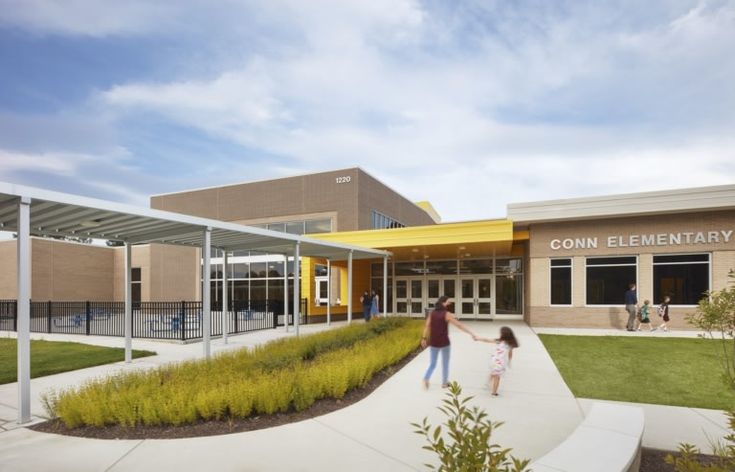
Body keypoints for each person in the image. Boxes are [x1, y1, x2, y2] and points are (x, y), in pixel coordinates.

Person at [421, 296, 476, 389]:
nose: (449, 303)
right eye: (448, 302)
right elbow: (459, 325)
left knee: (433, 363)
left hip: (434, 342)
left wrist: (423, 338)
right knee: (445, 363)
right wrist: (471, 333)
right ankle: (444, 383)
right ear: (443, 303)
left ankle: (426, 378)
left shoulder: (432, 313)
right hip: (444, 343)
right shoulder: (447, 314)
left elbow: (427, 326)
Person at [475, 327, 519, 396]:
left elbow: (486, 340)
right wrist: (509, 361)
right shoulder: (510, 344)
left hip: (493, 360)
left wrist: (478, 338)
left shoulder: (499, 341)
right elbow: (510, 354)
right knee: (497, 378)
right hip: (500, 363)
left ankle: (487, 383)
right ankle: (494, 392)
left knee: (494, 373)